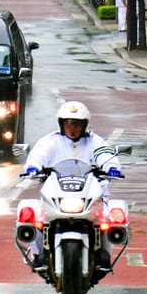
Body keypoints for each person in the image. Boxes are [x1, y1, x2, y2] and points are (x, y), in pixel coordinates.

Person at [23, 101, 123, 270]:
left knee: (108, 217)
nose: (72, 128)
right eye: (68, 123)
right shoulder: (50, 141)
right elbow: (38, 154)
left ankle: (104, 254)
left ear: (84, 125)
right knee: (36, 216)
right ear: (61, 124)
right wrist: (33, 167)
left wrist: (112, 167)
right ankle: (38, 254)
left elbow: (105, 154)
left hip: (90, 195)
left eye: (76, 124)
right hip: (58, 194)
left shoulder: (94, 141)